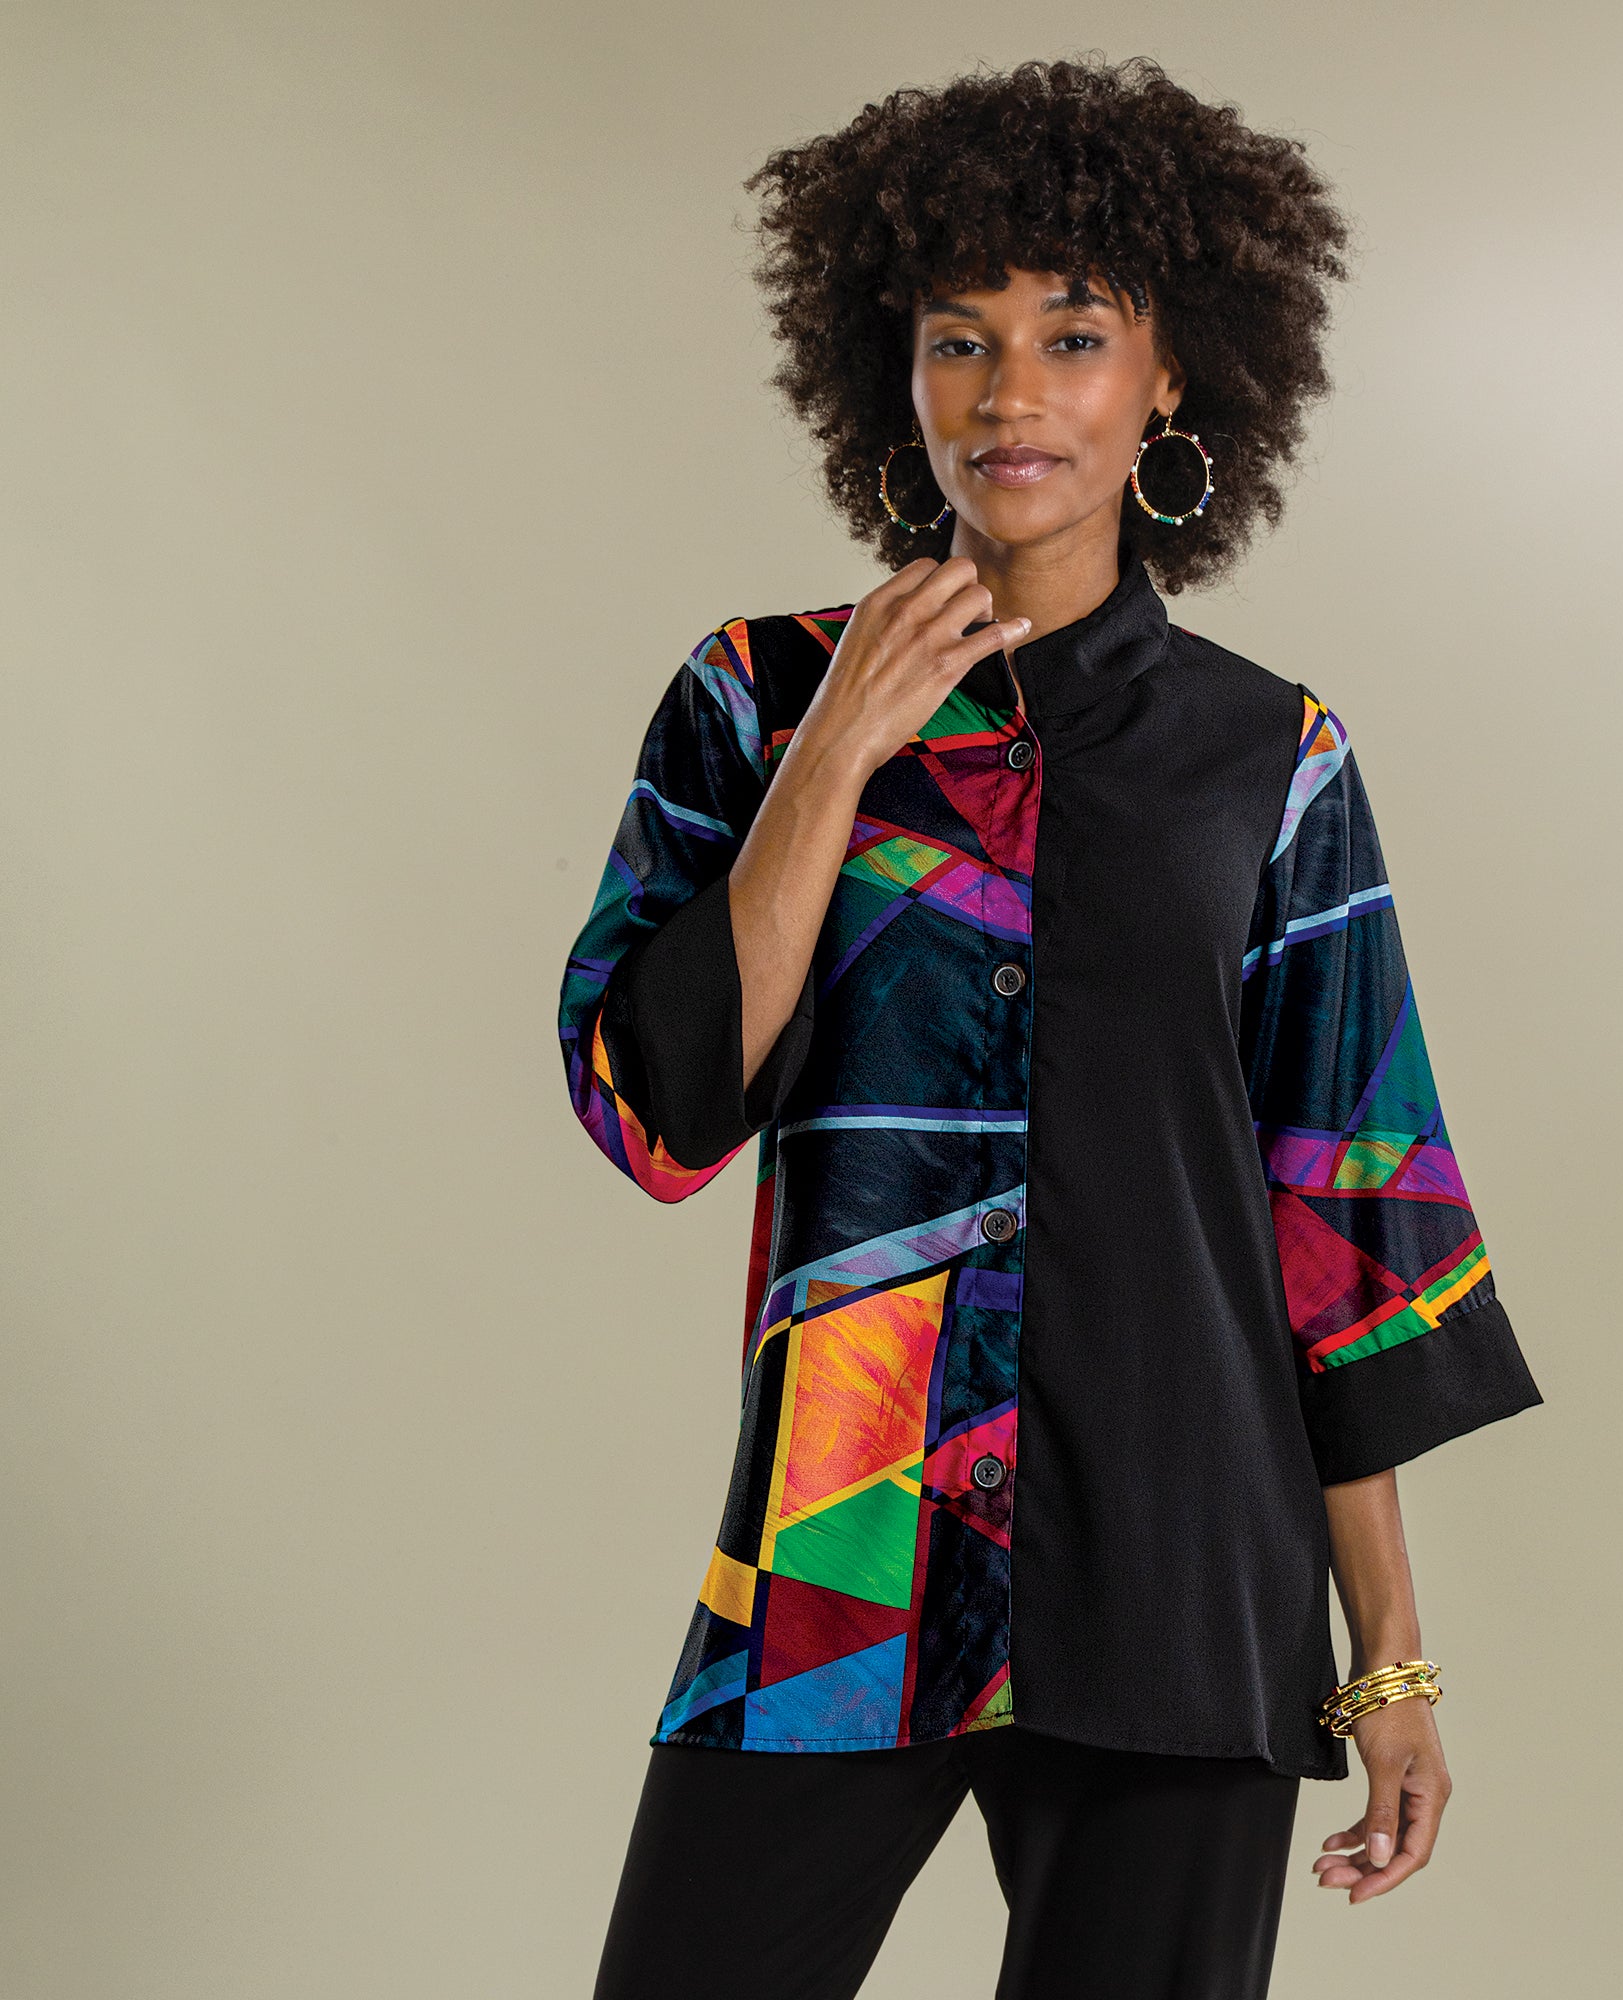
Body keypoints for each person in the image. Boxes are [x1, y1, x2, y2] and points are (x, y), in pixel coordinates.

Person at [559, 54, 1542, 2000]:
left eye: (1073, 336)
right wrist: (839, 750)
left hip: (1185, 1569)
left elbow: (1344, 1226)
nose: (1012, 391)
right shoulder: (755, 699)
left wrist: (1392, 1659)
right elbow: (661, 1112)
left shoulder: (1268, 755)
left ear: (1168, 378)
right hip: (845, 1550)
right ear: (899, 376)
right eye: (962, 339)